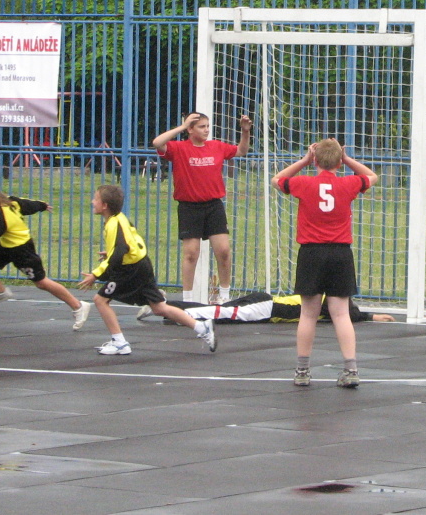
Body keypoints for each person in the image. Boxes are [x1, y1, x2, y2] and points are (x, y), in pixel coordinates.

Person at [272, 139, 377, 388]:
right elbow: (372, 176)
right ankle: (351, 369)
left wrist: (303, 161)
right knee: (341, 314)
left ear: (315, 161)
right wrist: (347, 159)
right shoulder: (348, 183)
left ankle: (302, 371)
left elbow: (277, 180)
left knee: (308, 315)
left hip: (311, 253)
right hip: (340, 253)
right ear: (339, 163)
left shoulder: (304, 183)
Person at [77, 184, 217, 355]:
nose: (92, 201)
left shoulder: (114, 224)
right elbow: (131, 241)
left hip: (130, 270)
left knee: (100, 300)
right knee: (159, 308)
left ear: (105, 205)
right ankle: (201, 327)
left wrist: (96, 274)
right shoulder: (120, 218)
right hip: (142, 264)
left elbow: (119, 252)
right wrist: (113, 252)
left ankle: (119, 343)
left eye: (95, 199)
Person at [0, 168, 91, 330]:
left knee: (41, 282)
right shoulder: (6, 200)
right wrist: (41, 205)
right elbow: (25, 204)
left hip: (20, 248)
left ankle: (79, 306)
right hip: (3, 243)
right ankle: (0, 291)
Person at [152, 111, 252, 303]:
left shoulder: (216, 146)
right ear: (190, 129)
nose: (206, 130)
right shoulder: (179, 148)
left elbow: (241, 150)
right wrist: (182, 127)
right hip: (189, 207)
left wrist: (245, 131)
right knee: (191, 254)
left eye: (207, 126)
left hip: (213, 206)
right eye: (201, 126)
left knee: (223, 251)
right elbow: (157, 142)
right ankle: (188, 299)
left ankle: (224, 296)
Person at [138, 290, 396, 324]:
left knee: (221, 311)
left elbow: (352, 314)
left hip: (265, 307)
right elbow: (350, 313)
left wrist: (372, 316)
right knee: (221, 313)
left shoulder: (324, 308)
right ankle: (167, 308)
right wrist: (369, 316)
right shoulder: (322, 303)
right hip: (266, 307)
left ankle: (167, 306)